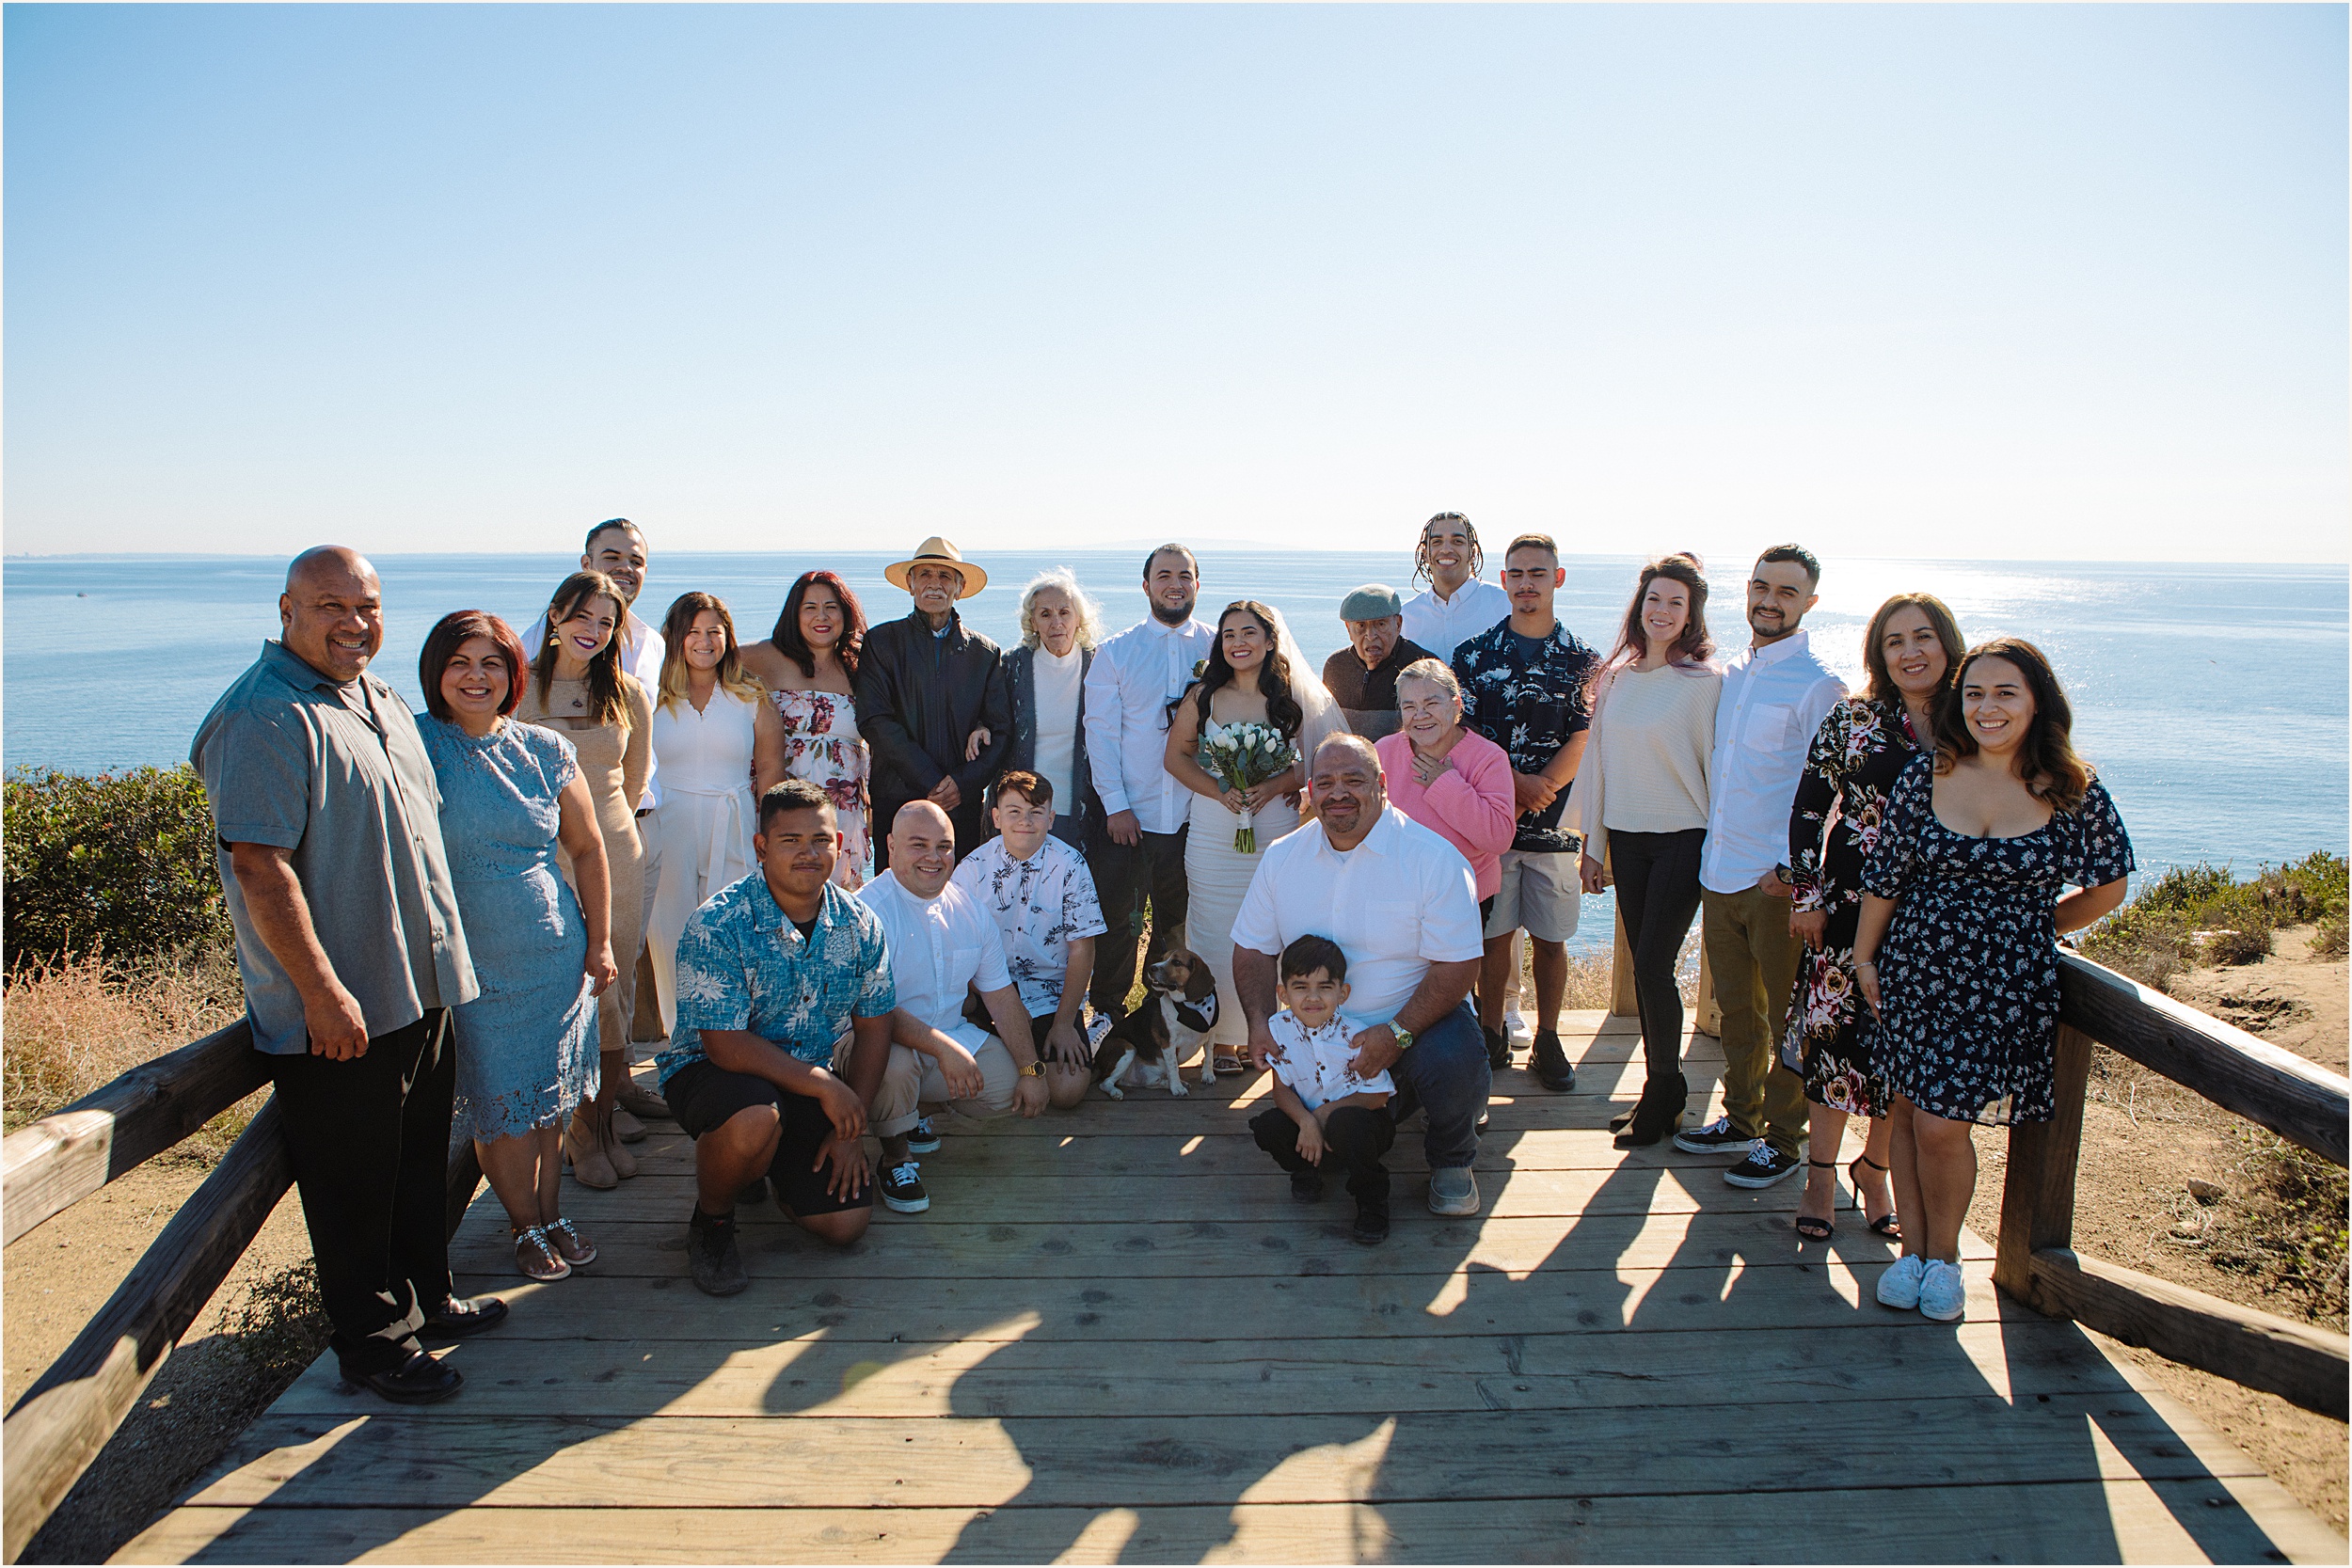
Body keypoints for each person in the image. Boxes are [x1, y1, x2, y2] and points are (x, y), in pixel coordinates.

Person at [191, 546, 490, 1405]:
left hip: (418, 982)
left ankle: (426, 1299)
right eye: (332, 606)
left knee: (412, 1160)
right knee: (353, 1177)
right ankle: (372, 1342)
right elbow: (261, 868)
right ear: (288, 609)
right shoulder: (266, 715)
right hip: (343, 1000)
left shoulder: (379, 697)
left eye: (368, 605)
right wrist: (321, 991)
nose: (355, 622)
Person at [1857, 639, 2133, 1323]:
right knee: (1912, 1112)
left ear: (2037, 700)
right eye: (1975, 693)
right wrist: (1865, 958)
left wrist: (2035, 928)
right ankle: (1911, 1256)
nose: (1988, 707)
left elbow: (2110, 884)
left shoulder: (2070, 786)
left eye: (2006, 692)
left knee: (1945, 1124)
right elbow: (1884, 878)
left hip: (2003, 986)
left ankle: (1945, 1260)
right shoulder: (1928, 774)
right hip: (1914, 971)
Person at [415, 611, 615, 1282]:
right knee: (500, 1102)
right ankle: (524, 1225)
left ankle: (554, 1213)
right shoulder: (412, 747)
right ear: (436, 671)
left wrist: (602, 941)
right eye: (461, 662)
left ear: (512, 673)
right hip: (470, 960)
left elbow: (587, 848)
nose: (476, 676)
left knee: (549, 1094)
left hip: (554, 949)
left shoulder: (544, 748)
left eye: (491, 663)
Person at [655, 779, 896, 1296]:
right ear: (761, 847)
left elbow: (875, 1025)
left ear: (839, 843)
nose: (809, 853)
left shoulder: (860, 924)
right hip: (716, 1073)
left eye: (821, 840)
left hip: (804, 1082)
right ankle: (713, 1222)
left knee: (844, 1224)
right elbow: (724, 1044)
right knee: (753, 1121)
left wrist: (850, 1131)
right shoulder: (718, 923)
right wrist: (830, 1088)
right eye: (791, 841)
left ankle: (763, 1172)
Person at [1232, 734, 1490, 1216]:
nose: (1338, 793)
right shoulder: (1283, 857)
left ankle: (1453, 1158)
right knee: (1329, 1155)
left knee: (1454, 1054)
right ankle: (1339, 1134)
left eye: (1354, 779)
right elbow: (1251, 948)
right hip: (1316, 1039)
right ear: (1310, 788)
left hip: (1410, 1029)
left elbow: (1459, 965)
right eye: (1325, 781)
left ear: (1383, 784)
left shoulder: (1433, 859)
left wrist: (1395, 1035)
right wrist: (1259, 1022)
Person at [1783, 594, 1963, 1240]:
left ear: (1947, 644)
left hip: (1933, 919)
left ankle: (1876, 1167)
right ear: (1879, 654)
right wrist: (1806, 895)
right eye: (1895, 641)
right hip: (1845, 907)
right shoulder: (1853, 719)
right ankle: (1821, 1176)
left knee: (1902, 1053)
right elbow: (1808, 807)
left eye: (1923, 637)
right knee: (1833, 1045)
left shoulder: (1973, 723)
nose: (1911, 652)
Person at [1674, 545, 1848, 1191]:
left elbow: (1836, 790)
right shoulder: (1735, 673)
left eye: (1786, 591)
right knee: (1738, 1013)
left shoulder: (1819, 682)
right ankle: (1741, 1119)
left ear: (1809, 602)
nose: (1769, 601)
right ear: (1746, 591)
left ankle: (1785, 1138)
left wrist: (1793, 870)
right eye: (1760, 587)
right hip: (1719, 870)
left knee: (1788, 1016)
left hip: (1776, 881)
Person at [1566, 554, 1723, 1148]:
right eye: (1654, 599)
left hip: (1685, 838)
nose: (1662, 611)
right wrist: (1593, 846)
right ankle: (1662, 1090)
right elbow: (1600, 766)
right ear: (1640, 606)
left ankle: (1664, 1093)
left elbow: (1716, 772)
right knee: (1645, 961)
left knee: (1654, 967)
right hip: (1627, 840)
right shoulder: (1618, 679)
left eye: (1675, 603)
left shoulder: (1706, 685)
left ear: (1691, 615)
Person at [520, 520, 673, 1129]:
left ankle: (610, 1105)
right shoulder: (521, 683)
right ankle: (579, 1126)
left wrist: (611, 826)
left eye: (604, 623)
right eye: (581, 617)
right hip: (549, 851)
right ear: (556, 616)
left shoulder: (635, 678)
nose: (593, 629)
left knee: (618, 977)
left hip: (619, 843)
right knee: (567, 983)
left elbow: (632, 778)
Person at [1166, 600, 1345, 1079]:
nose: (1238, 642)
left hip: (1272, 828)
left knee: (1272, 929)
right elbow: (1176, 758)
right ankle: (1219, 1037)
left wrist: (1274, 786)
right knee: (1212, 927)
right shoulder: (1204, 695)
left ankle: (1258, 1031)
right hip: (1213, 828)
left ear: (1270, 641)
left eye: (1249, 632)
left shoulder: (1290, 697)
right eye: (1229, 634)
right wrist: (1221, 789)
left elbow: (1312, 764)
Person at [1452, 533, 1600, 1091]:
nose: (1526, 584)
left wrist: (1543, 787)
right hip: (1487, 824)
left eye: (1537, 573)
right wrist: (1514, 783)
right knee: (1491, 936)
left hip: (1554, 826)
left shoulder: (1584, 661)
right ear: (1504, 581)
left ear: (1557, 579)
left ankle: (1549, 1038)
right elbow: (1459, 732)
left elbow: (1584, 734)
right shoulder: (1472, 655)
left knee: (1551, 937)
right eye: (1516, 574)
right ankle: (1489, 1033)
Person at [858, 801, 1052, 1214]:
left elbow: (1000, 994)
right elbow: (874, 1011)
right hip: (873, 1043)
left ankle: (914, 1112)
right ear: (890, 846)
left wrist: (1032, 1069)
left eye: (944, 847)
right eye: (918, 845)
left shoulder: (969, 909)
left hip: (947, 1037)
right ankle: (895, 1158)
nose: (934, 858)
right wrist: (943, 1050)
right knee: (893, 1064)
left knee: (1005, 1089)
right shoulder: (867, 912)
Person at [1083, 545, 1217, 1020]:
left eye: (1185, 575)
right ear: (1146, 586)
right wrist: (1116, 805)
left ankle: (1166, 1021)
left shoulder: (1219, 647)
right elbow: (1099, 735)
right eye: (1164, 575)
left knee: (1177, 926)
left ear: (1198, 586)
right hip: (1131, 815)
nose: (1175, 583)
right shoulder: (1115, 652)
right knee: (1118, 922)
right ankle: (1107, 1013)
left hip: (1196, 816)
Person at [644, 593, 787, 1038]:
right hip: (669, 824)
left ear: (728, 637)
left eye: (714, 632)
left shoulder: (750, 696)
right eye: (694, 632)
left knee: (734, 935)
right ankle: (680, 1040)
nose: (704, 642)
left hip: (735, 820)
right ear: (676, 637)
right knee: (671, 936)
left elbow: (769, 770)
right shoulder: (652, 698)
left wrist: (772, 837)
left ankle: (733, 1038)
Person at [950, 770, 1105, 1112]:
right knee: (972, 1079)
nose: (1025, 821)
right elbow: (955, 945)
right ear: (995, 817)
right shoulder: (971, 869)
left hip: (1049, 994)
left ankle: (1070, 1041)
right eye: (1014, 811)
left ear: (1051, 818)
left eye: (1036, 812)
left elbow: (1083, 948)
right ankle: (1018, 1059)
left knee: (1066, 1092)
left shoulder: (1071, 865)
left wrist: (1064, 1024)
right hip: (987, 990)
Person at [855, 537, 1009, 868]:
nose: (934, 584)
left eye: (944, 576)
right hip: (897, 799)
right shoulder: (881, 643)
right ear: (910, 584)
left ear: (959, 586)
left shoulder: (985, 654)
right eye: (924, 574)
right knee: (896, 897)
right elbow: (874, 719)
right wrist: (932, 780)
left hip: (961, 807)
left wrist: (963, 784)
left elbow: (1001, 730)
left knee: (958, 900)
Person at [1249, 935, 1398, 1245]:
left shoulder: (1355, 1035)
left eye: (1325, 987)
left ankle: (1371, 1200)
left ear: (1343, 993)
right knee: (1268, 1126)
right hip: (1310, 1127)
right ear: (1283, 993)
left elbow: (1379, 1095)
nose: (1312, 997)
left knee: (1346, 1124)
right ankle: (1307, 1169)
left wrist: (1321, 1116)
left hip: (1360, 1128)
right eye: (1300, 987)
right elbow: (1281, 1091)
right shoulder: (1279, 1029)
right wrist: (1306, 1122)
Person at [740, 570, 875, 888]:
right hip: (779, 800)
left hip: (840, 804)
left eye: (831, 607)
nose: (822, 616)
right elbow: (705, 660)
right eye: (810, 607)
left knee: (836, 898)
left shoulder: (861, 666)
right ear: (794, 614)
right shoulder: (765, 657)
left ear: (845, 613)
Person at [1375, 660, 1517, 920]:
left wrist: (1446, 784)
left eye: (1431, 704)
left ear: (1456, 705)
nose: (1420, 715)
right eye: (1410, 707)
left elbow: (1499, 838)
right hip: (1394, 891)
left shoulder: (1488, 758)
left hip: (1463, 892)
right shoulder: (1382, 751)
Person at [1002, 568, 1104, 848]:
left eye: (1064, 612)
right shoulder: (1013, 666)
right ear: (1033, 622)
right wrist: (980, 727)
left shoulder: (1100, 665)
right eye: (1045, 614)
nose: (1056, 622)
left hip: (1082, 808)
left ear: (1079, 618)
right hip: (1022, 813)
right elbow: (993, 716)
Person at [1320, 585, 1437, 741]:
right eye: (1361, 626)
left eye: (1381, 624)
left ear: (1398, 624)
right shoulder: (1336, 666)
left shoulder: (1424, 667)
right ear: (1348, 629)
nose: (1370, 635)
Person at [1400, 511, 1511, 664]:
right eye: (1436, 542)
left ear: (1473, 552)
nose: (1446, 549)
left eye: (1457, 541)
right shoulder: (1406, 616)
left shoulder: (1505, 604)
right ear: (1425, 553)